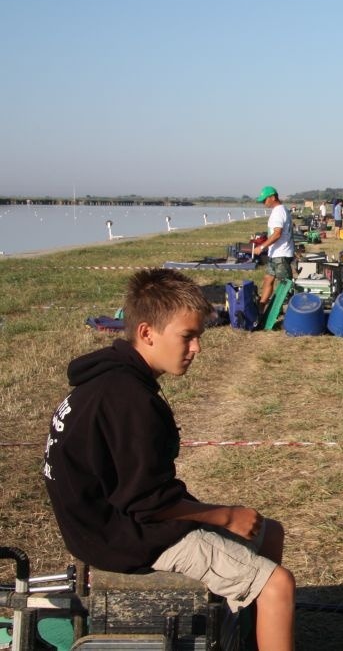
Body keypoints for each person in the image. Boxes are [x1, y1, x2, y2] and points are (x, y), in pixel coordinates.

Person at [43, 269, 295, 650]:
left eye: (199, 337)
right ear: (147, 333)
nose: (196, 349)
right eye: (187, 337)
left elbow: (144, 491)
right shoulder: (129, 400)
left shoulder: (110, 378)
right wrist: (224, 515)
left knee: (268, 531)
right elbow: (147, 505)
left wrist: (215, 513)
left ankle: (244, 634)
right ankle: (259, 600)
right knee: (278, 585)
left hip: (113, 520)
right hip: (118, 536)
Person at [253, 186, 295, 314]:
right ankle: (261, 306)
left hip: (281, 254)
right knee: (268, 279)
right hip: (275, 254)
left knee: (285, 287)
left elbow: (277, 234)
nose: (263, 203)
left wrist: (262, 247)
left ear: (273, 197)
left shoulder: (278, 211)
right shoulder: (279, 210)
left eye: (264, 200)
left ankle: (290, 313)